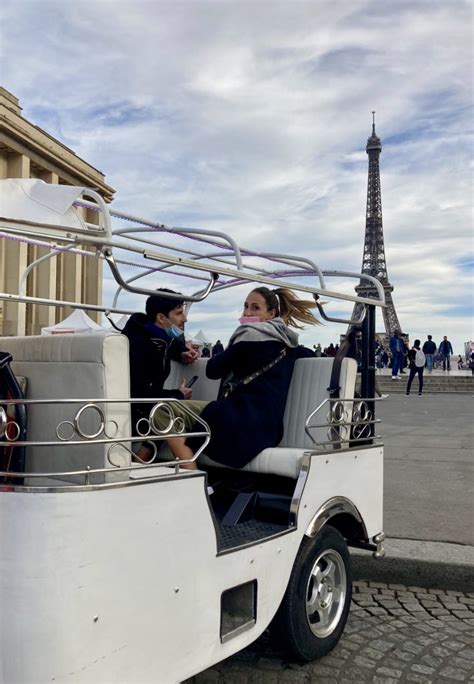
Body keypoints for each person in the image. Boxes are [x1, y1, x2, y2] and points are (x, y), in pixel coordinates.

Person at [154, 286, 320, 470]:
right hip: (269, 429)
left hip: (240, 423)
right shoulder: (289, 345)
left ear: (271, 313)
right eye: (246, 306)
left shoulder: (248, 338)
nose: (247, 313)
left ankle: (192, 480)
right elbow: (309, 354)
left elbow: (212, 370)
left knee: (164, 409)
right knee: (187, 422)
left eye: (255, 308)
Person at [122, 289, 199, 459]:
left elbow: (166, 347)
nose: (184, 319)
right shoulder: (139, 346)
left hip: (142, 410)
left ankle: (139, 465)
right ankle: (136, 467)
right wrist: (177, 394)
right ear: (161, 318)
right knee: (167, 417)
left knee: (165, 414)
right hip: (132, 413)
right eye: (179, 313)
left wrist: (181, 353)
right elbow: (140, 394)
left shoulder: (154, 337)